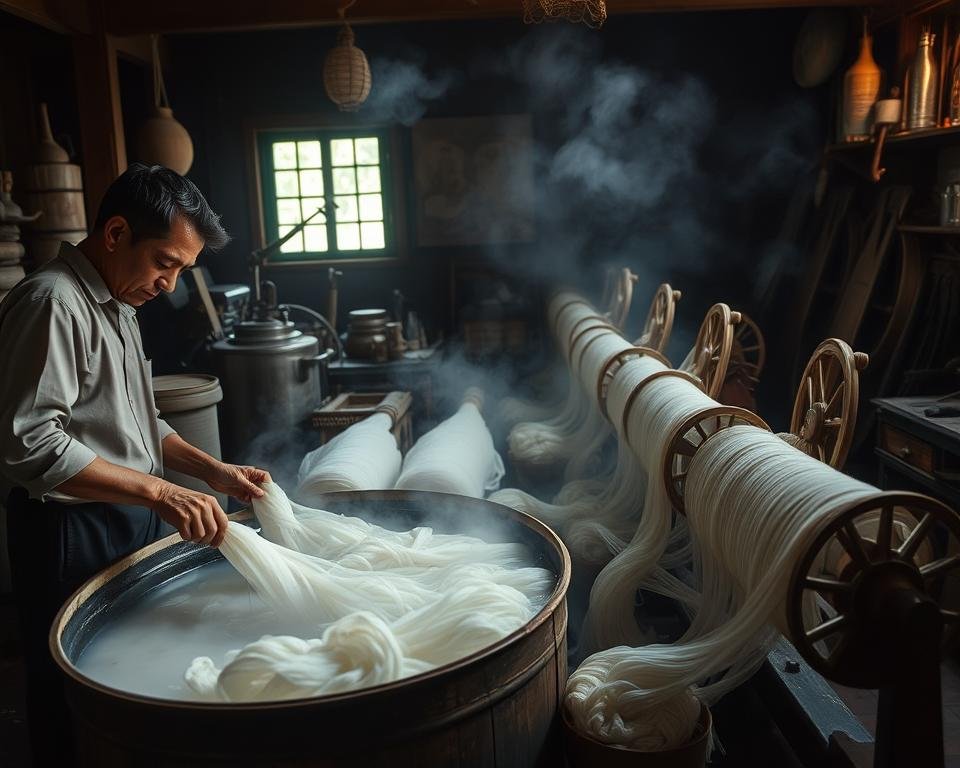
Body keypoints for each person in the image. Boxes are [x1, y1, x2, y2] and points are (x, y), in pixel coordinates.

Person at [0, 164, 269, 765]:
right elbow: (31, 444)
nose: (170, 284)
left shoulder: (117, 303)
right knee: (73, 689)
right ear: (116, 232)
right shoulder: (53, 303)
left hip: (127, 510)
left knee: (128, 666)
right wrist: (160, 494)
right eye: (165, 263)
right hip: (71, 528)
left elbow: (141, 421)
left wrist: (211, 472)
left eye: (180, 270)